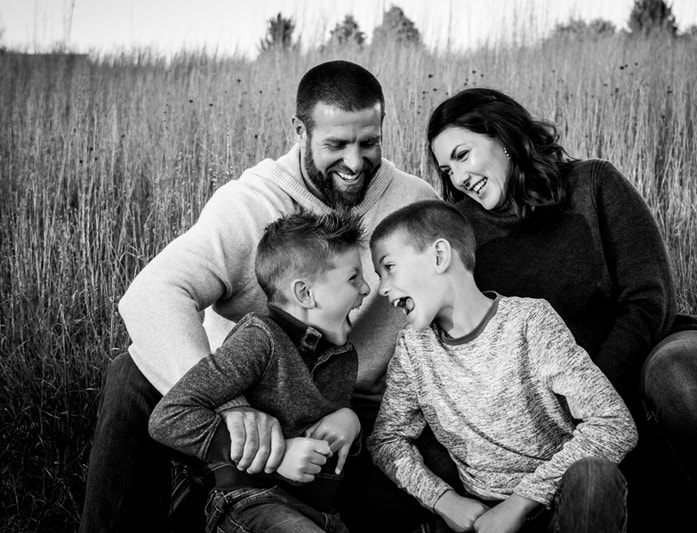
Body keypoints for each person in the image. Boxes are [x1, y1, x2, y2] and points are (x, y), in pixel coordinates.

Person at [80, 60, 439, 533]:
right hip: (248, 391)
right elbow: (151, 294)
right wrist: (231, 409)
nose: (355, 163)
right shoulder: (251, 205)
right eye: (336, 144)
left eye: (368, 142)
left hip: (354, 407)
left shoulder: (414, 203)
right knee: (131, 373)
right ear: (299, 131)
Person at [425, 87, 697, 533]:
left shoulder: (593, 182)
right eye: (447, 168)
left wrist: (593, 392)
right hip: (565, 408)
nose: (458, 176)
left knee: (678, 376)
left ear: (503, 137)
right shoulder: (461, 232)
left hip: (657, 348)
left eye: (463, 154)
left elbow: (649, 296)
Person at [367, 199, 637, 533]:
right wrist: (444, 501)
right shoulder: (413, 348)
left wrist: (521, 503)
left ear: (439, 256)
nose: (382, 289)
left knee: (595, 477)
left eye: (389, 267)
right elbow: (386, 439)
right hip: (481, 518)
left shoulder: (529, 322)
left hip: (556, 504)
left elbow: (614, 423)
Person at [149, 210, 369, 533]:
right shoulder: (260, 339)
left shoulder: (342, 357)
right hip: (249, 501)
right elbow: (169, 417)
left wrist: (352, 424)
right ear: (305, 294)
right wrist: (276, 458)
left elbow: (330, 454)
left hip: (321, 513)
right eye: (354, 278)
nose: (365, 290)